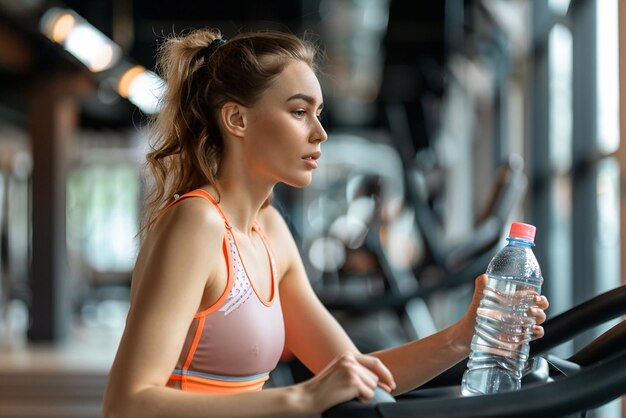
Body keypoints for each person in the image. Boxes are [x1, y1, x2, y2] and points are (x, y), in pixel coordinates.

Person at [102, 27, 549, 418]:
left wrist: (463, 335)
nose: (320, 133)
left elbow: (358, 371)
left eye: (318, 113)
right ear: (237, 119)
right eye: (299, 112)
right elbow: (128, 405)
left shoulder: (269, 229)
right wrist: (301, 399)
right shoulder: (196, 224)